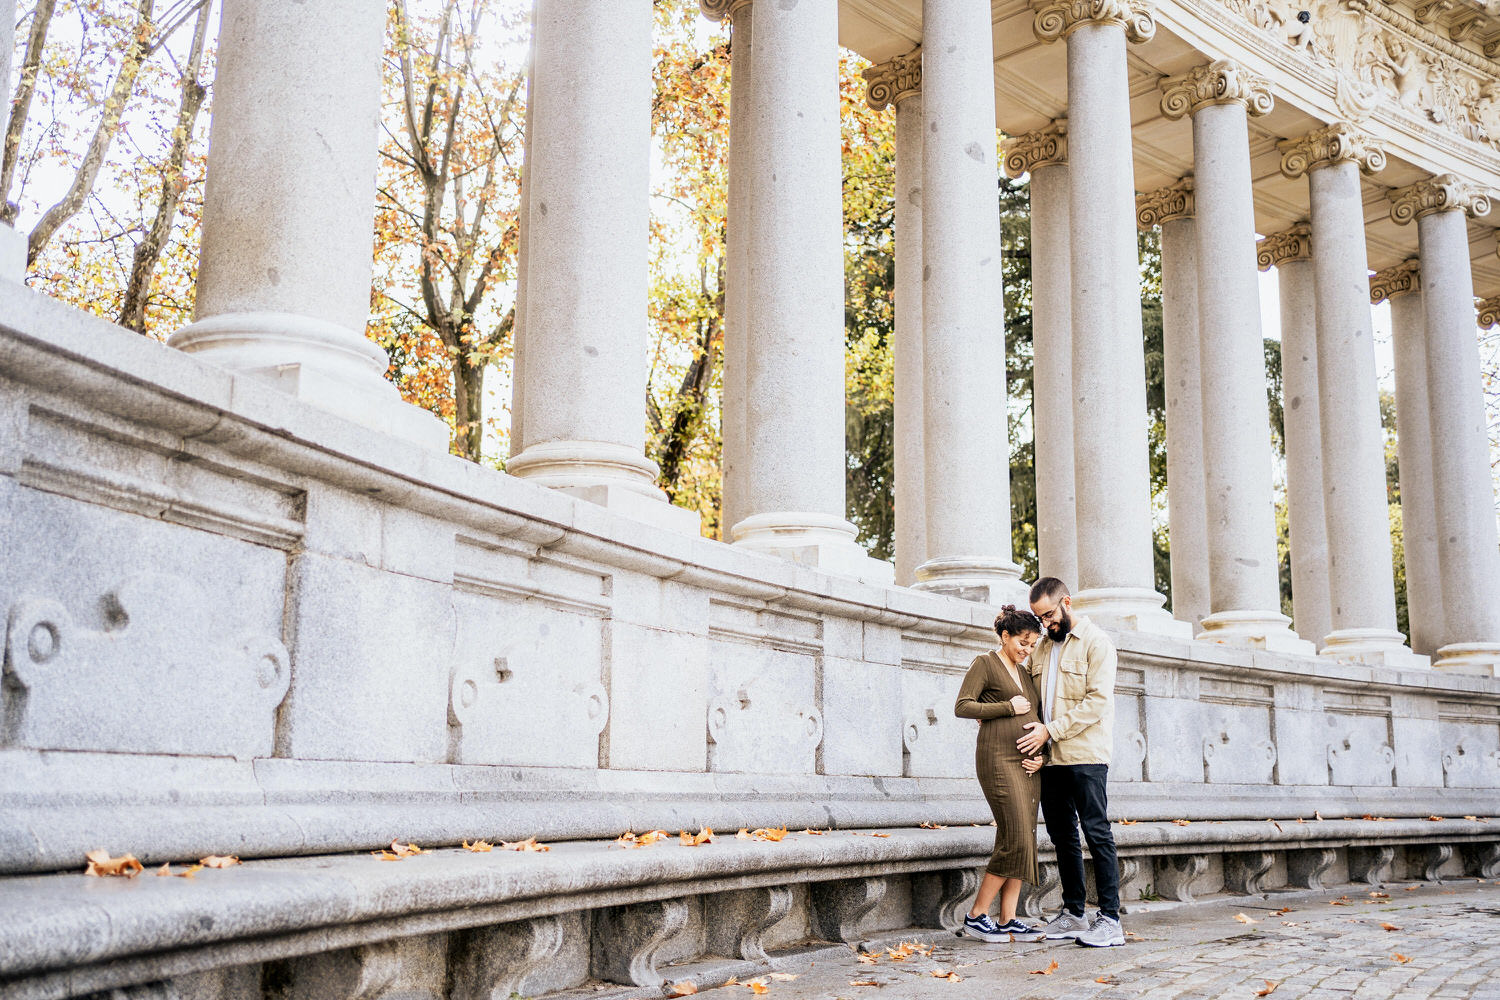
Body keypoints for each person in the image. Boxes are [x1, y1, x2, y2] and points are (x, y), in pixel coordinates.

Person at [1017, 576, 1124, 948]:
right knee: (1062, 837)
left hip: (1085, 756)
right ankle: (1074, 913)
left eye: (1048, 615)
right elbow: (1024, 688)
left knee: (1096, 834)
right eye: (1040, 618)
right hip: (1050, 760)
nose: (1046, 624)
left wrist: (1051, 731)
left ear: (1067, 602)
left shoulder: (1098, 643)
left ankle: (1110, 920)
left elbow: (1097, 703)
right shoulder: (1044, 648)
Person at [953, 605, 1048, 944]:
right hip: (997, 760)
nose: (1027, 649)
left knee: (1026, 837)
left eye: (1033, 644)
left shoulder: (1025, 674)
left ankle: (1008, 919)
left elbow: (1037, 718)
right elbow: (963, 705)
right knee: (1014, 836)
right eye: (1023, 642)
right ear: (1005, 636)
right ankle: (977, 916)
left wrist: (1043, 757)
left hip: (1027, 767)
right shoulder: (985, 663)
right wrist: (1006, 708)